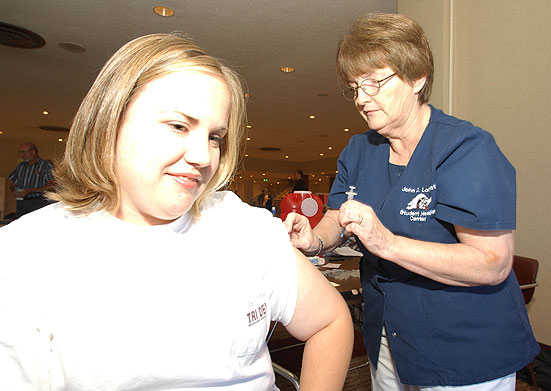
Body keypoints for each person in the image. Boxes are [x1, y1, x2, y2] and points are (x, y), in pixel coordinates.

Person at [0, 33, 353, 390]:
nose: (203, 156)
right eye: (178, 126)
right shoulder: (25, 254)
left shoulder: (245, 226)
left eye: (215, 137)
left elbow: (330, 321)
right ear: (110, 123)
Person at [284, 13, 539, 390]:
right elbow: (339, 215)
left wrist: (386, 243)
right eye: (354, 87)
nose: (360, 99)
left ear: (417, 78)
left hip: (465, 348)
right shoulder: (359, 150)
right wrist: (315, 240)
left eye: (373, 83)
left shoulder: (465, 149)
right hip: (389, 336)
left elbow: (492, 264)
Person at [9, 142, 54, 218]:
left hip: (38, 201)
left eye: (24, 152)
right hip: (22, 202)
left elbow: (52, 186)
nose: (22, 155)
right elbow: (13, 183)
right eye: (20, 152)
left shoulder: (45, 165)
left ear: (33, 152)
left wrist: (30, 191)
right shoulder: (21, 166)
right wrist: (14, 191)